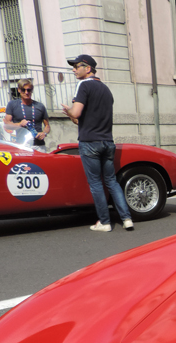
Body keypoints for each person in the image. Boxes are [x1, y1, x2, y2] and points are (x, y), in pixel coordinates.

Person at [61, 54, 133, 233]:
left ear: (88, 68)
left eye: (76, 66)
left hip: (90, 142)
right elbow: (84, 119)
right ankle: (127, 219)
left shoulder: (84, 85)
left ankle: (105, 222)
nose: (73, 70)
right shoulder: (106, 89)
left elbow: (76, 114)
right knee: (112, 182)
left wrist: (68, 111)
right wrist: (74, 116)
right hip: (107, 141)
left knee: (95, 183)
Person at [4, 79, 50, 147]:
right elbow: (7, 124)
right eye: (23, 90)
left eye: (29, 90)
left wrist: (44, 133)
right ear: (19, 90)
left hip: (38, 145)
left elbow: (47, 126)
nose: (26, 92)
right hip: (21, 145)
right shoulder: (12, 104)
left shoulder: (40, 106)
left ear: (32, 90)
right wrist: (19, 124)